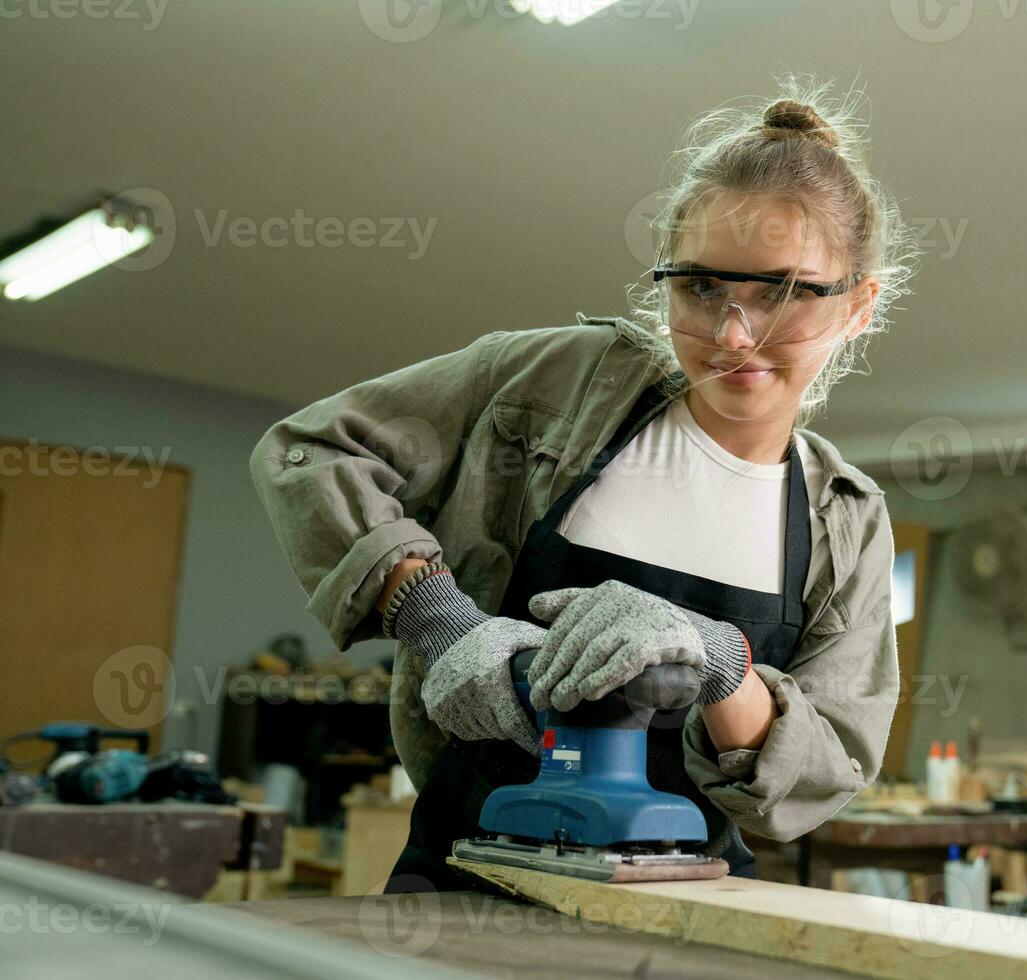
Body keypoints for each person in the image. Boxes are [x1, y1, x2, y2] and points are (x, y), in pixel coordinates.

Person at [249, 75, 918, 890]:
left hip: (687, 897)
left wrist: (719, 665)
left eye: (783, 292)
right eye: (703, 287)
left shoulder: (845, 521)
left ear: (856, 307)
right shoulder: (550, 386)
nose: (734, 335)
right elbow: (309, 450)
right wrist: (439, 621)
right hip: (468, 871)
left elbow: (826, 768)